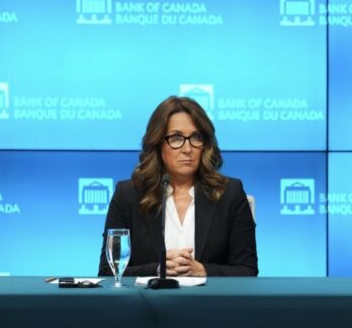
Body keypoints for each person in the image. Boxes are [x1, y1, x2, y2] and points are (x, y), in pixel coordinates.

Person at [98, 96, 258, 277]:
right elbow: (108, 272)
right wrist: (159, 269)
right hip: (149, 304)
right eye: (176, 138)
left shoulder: (229, 193)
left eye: (196, 137)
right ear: (158, 143)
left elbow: (247, 271)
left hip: (210, 303)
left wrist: (203, 270)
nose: (187, 148)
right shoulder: (128, 195)